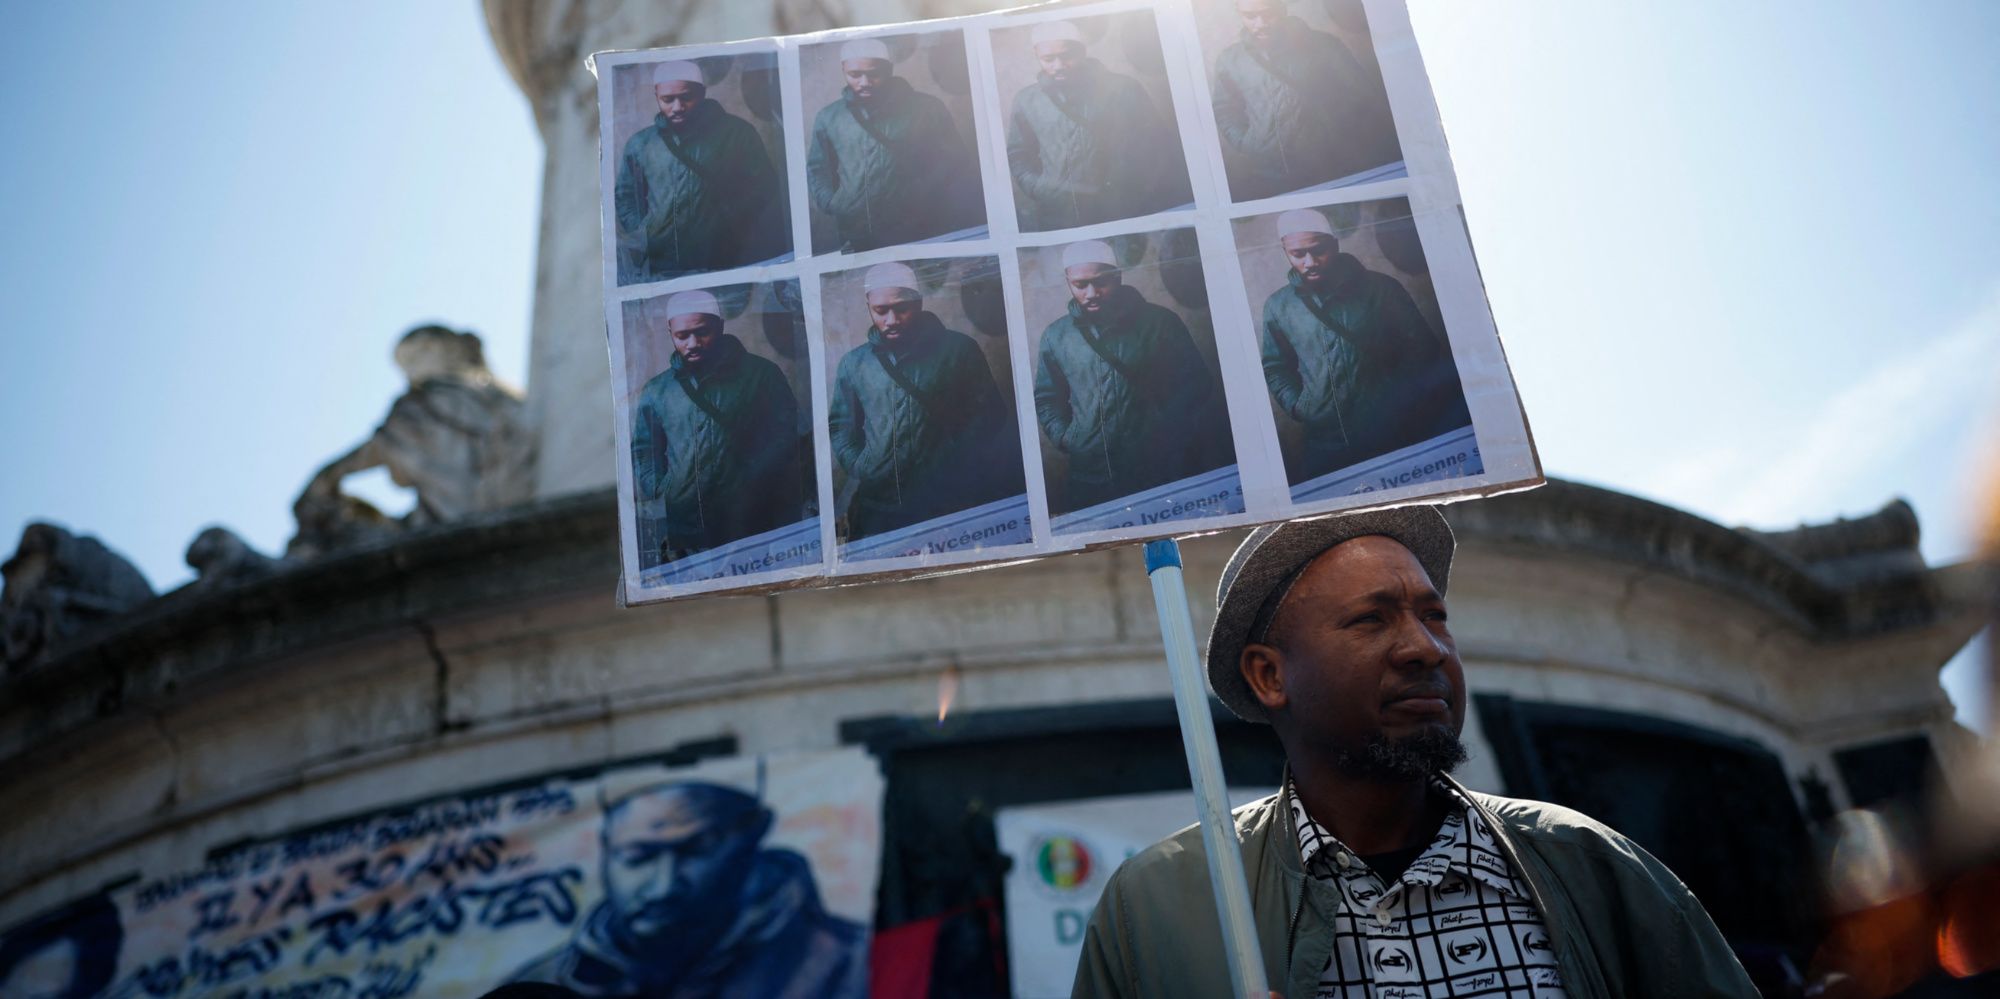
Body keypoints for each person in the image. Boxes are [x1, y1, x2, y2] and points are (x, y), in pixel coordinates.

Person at [1071, 508, 1760, 997]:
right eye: (1371, 619)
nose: (1426, 647)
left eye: (1434, 616)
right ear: (1270, 675)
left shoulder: (1592, 863)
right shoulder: (1155, 907)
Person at [510, 782, 868, 998]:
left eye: (697, 853)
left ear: (749, 844)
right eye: (638, 857)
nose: (665, 885)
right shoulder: (545, 982)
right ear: (606, 853)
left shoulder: (849, 963)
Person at [1258, 208, 1471, 484]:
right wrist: (1300, 406)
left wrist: (1394, 400)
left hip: (1393, 434)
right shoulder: (1278, 306)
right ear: (1285, 251)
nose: (1310, 262)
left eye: (1318, 250)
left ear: (1334, 244)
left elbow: (1423, 349)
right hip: (1324, 445)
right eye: (1298, 254)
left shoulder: (1382, 288)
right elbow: (1275, 366)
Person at [829, 262, 1025, 541]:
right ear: (868, 305)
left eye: (902, 308)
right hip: (879, 506)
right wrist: (862, 465)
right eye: (880, 311)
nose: (892, 320)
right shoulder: (854, 364)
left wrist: (952, 463)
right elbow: (840, 426)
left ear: (918, 303)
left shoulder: (959, 349)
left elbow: (991, 415)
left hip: (947, 504)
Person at [1032, 240, 1230, 513]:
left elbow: (1196, 383)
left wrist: (1164, 433)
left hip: (1160, 468)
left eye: (1101, 282)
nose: (1091, 293)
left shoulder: (1160, 322)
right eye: (1080, 285)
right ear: (1068, 281)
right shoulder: (1056, 336)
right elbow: (1047, 398)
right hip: (1091, 475)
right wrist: (1070, 439)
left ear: (1118, 276)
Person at [629, 290, 809, 565]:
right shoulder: (657, 391)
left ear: (720, 326)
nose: (693, 343)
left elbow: (785, 433)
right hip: (686, 528)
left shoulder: (761, 374)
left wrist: (752, 478)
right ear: (670, 332)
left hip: (752, 519)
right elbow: (644, 448)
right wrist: (665, 486)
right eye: (682, 336)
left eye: (702, 332)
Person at [1005, 20, 1192, 232]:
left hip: (1124, 211)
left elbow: (1157, 146)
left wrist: (1135, 192)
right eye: (1048, 59)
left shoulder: (1123, 88)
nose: (1058, 66)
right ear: (1037, 55)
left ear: (1082, 51)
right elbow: (1017, 154)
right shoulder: (1026, 100)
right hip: (1061, 216)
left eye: (1067, 56)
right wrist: (1042, 189)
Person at [1210, 0, 1402, 201]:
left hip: (1333, 170)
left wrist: (1336, 136)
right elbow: (1225, 110)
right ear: (1239, 13)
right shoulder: (1229, 60)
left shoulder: (1325, 45)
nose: (1260, 23)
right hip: (1270, 178)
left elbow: (1363, 96)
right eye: (1250, 16)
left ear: (1282, 8)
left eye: (1268, 14)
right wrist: (1248, 143)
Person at [613, 61, 786, 281]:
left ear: (702, 93)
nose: (677, 107)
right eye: (667, 99)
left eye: (686, 97)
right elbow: (625, 196)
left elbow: (765, 186)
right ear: (656, 94)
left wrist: (732, 223)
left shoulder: (737, 133)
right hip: (663, 266)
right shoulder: (640, 144)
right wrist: (646, 232)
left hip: (727, 261)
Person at [807, 38, 985, 252]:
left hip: (921, 228)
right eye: (854, 75)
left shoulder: (926, 108)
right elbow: (818, 168)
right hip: (856, 232)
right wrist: (834, 203)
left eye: (874, 74)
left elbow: (956, 161)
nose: (864, 82)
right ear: (843, 69)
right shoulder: (829, 117)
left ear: (888, 70)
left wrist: (923, 195)